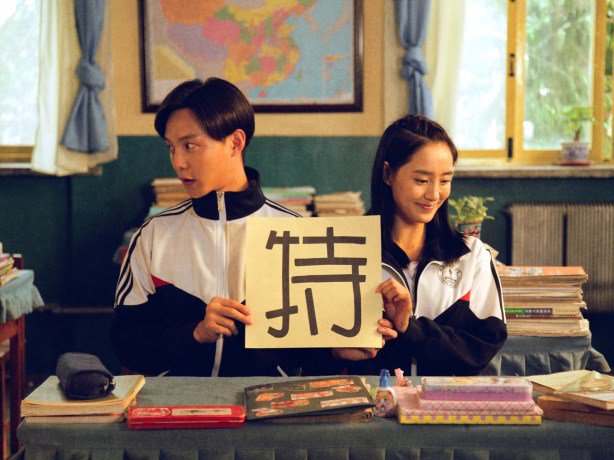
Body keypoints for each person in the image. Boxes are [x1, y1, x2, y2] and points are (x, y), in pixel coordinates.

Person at [111, 77, 395, 377]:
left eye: (190, 146)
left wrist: (338, 352)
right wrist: (194, 333)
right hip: (180, 403)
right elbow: (126, 343)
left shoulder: (294, 233)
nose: (178, 162)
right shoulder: (153, 236)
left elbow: (308, 355)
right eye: (171, 148)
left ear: (235, 143)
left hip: (270, 403)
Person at [352, 114, 507, 376]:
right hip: (370, 399)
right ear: (388, 174)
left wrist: (410, 328)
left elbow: (481, 348)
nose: (434, 194)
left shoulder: (471, 255)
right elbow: (313, 351)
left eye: (445, 180)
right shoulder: (347, 251)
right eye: (422, 180)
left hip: (445, 401)